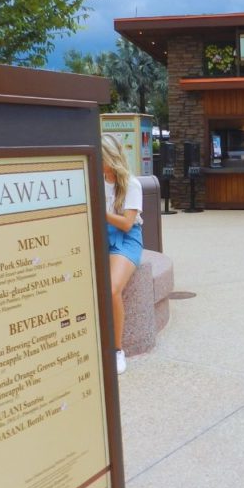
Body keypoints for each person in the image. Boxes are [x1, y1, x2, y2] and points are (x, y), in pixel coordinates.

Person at [102, 134, 143, 374]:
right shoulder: (94, 178)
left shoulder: (130, 184)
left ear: (111, 157)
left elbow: (127, 224)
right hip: (100, 233)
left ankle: (117, 350)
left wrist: (96, 207)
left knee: (112, 288)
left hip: (126, 238)